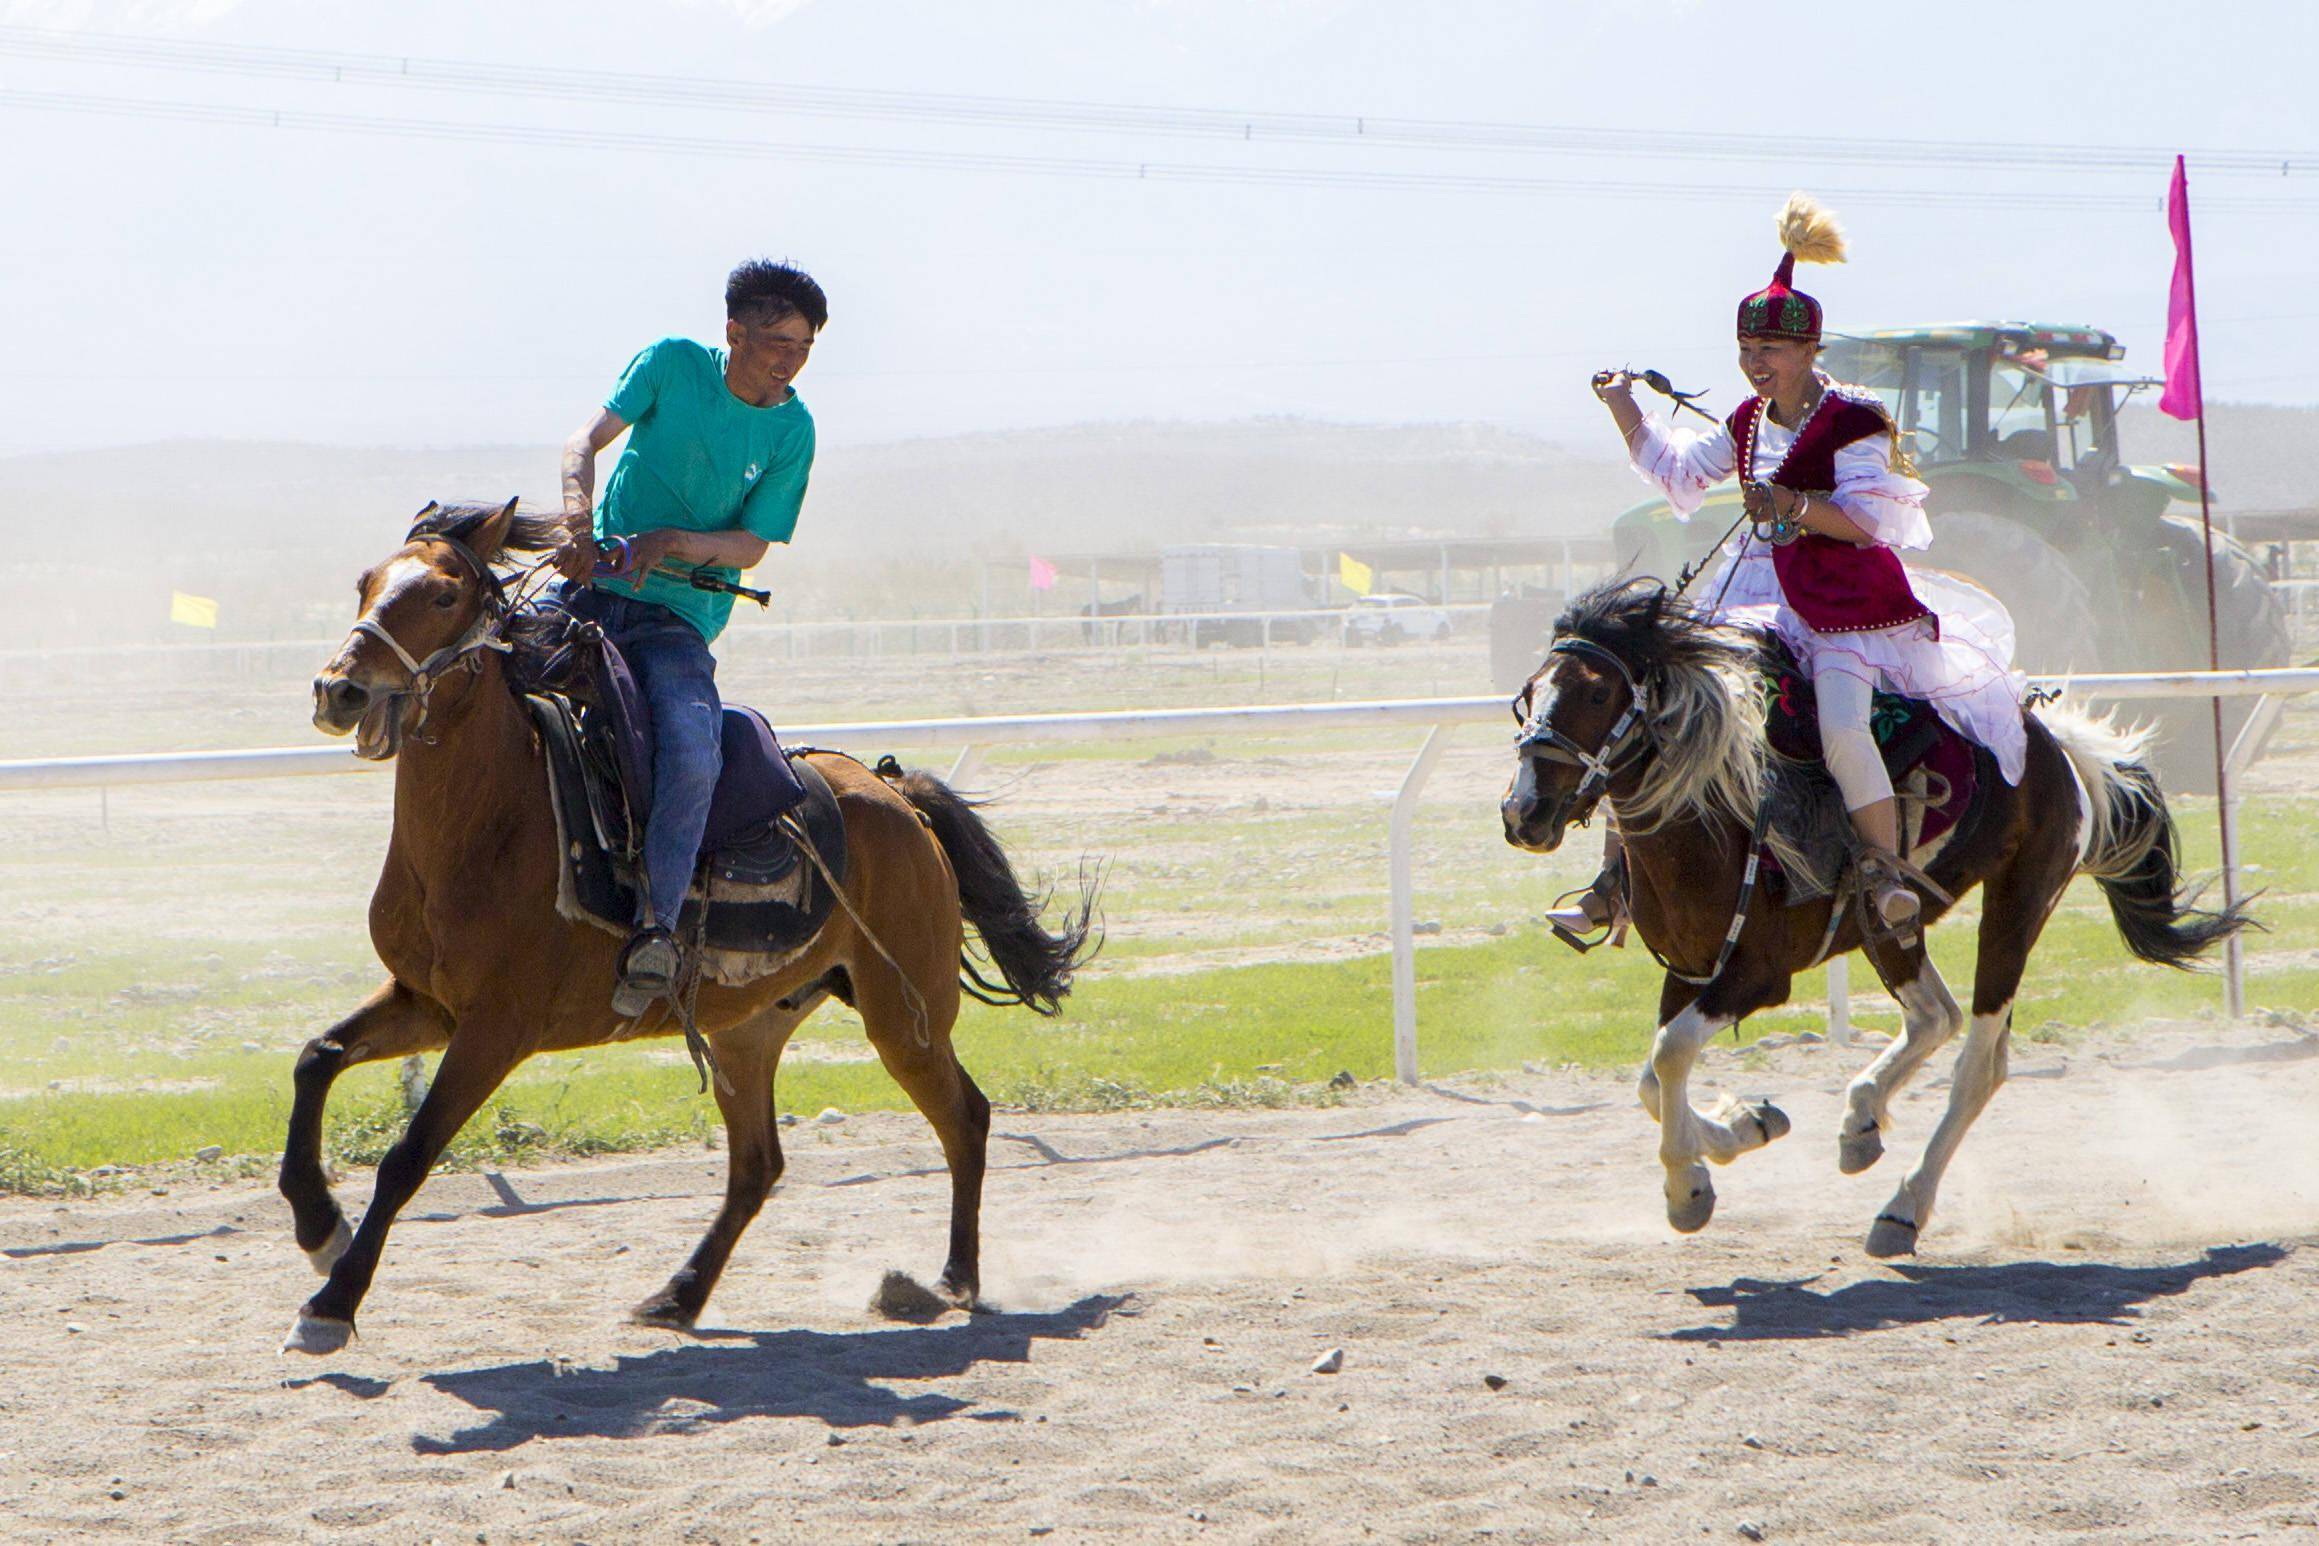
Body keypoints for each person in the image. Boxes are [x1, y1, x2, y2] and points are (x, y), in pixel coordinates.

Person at [1549, 194, 2026, 950]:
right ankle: (1615, 881)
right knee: (1663, 714)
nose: (1754, 364)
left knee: (1840, 728)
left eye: (1768, 351)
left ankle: (1883, 872)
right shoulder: (1743, 420)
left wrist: (1793, 506)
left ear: (1808, 352)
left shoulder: (1853, 419)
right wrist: (1622, 409)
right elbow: (1677, 470)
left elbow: (1871, 520)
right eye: (1746, 351)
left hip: (1841, 606)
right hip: (1749, 600)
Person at [550, 259, 824, 1015]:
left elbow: (750, 547)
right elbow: (585, 441)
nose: (788, 362)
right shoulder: (670, 363)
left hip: (676, 622)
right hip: (588, 588)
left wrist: (671, 540)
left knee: (692, 748)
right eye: (775, 342)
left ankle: (656, 930)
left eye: (802, 348)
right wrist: (578, 517)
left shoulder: (791, 429)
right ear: (733, 332)